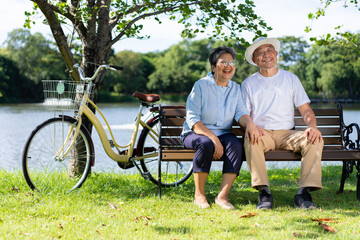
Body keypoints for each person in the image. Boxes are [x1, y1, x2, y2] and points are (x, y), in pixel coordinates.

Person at [241, 37, 324, 210]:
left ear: (276, 54)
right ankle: (264, 192)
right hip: (262, 133)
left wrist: (312, 127)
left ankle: (303, 194)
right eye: (260, 53)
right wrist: (251, 126)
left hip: (288, 134)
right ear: (255, 60)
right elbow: (243, 114)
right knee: (251, 139)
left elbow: (306, 110)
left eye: (269, 50)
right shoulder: (248, 83)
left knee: (315, 139)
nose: (266, 55)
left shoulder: (291, 79)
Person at [181, 47, 259, 210]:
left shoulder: (235, 88)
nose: (228, 65)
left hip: (223, 134)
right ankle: (199, 195)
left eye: (231, 62)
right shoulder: (200, 85)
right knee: (205, 144)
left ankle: (222, 197)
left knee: (236, 145)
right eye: (223, 61)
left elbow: (241, 113)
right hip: (195, 133)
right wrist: (213, 138)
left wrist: (250, 124)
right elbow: (193, 120)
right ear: (213, 67)